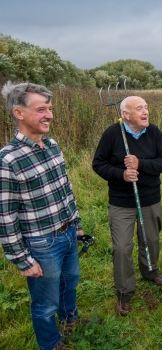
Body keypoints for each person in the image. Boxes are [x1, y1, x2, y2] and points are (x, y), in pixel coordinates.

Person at [0, 82, 85, 350]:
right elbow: (5, 216)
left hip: (67, 232)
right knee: (44, 302)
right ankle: (51, 343)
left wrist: (77, 225)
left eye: (50, 108)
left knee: (70, 282)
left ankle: (70, 318)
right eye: (41, 109)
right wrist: (22, 260)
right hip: (41, 244)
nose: (49, 115)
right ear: (19, 113)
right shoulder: (8, 159)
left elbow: (65, 189)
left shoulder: (52, 145)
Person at [92, 95, 162, 316]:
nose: (146, 112)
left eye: (146, 107)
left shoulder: (154, 132)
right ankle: (124, 293)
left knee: (151, 240)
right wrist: (122, 174)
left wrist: (140, 164)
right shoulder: (113, 134)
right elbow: (98, 164)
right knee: (122, 248)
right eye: (139, 109)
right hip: (121, 202)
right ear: (125, 115)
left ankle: (150, 271)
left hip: (149, 198)